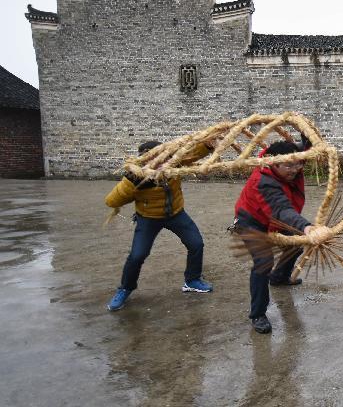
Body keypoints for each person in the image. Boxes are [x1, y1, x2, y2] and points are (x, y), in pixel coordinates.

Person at [105, 140, 213, 312]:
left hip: (176, 214)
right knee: (137, 255)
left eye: (161, 155)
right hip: (148, 218)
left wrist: (207, 145)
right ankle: (126, 288)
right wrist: (133, 182)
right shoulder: (137, 175)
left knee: (196, 243)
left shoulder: (174, 163)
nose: (160, 161)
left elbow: (192, 154)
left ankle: (192, 280)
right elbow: (111, 201)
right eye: (153, 157)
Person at [233, 139, 312, 334]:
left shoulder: (290, 161)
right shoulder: (263, 180)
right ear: (273, 163)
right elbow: (282, 210)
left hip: (275, 219)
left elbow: (303, 152)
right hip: (251, 221)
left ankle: (280, 277)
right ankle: (258, 314)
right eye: (288, 166)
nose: (294, 170)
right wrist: (307, 226)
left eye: (297, 164)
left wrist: (307, 140)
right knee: (263, 262)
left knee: (294, 245)